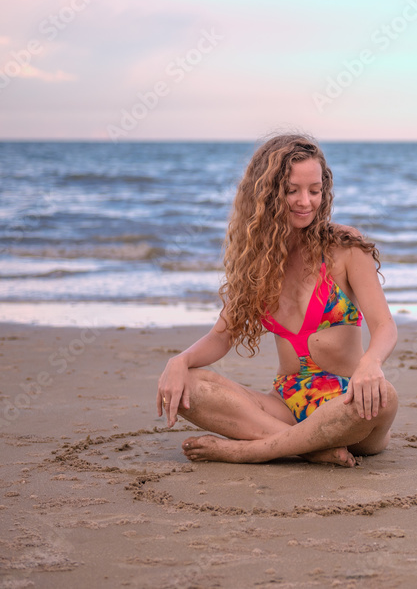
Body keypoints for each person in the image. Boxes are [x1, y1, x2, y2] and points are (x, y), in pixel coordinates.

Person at [156, 133, 398, 467]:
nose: (305, 202)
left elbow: (385, 326)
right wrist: (179, 362)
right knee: (190, 388)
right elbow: (221, 336)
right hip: (285, 407)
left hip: (347, 406)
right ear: (267, 194)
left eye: (314, 191)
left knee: (384, 399)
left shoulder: (343, 246)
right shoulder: (257, 263)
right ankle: (309, 449)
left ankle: (253, 450)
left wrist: (370, 364)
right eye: (291, 190)